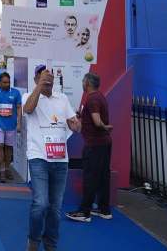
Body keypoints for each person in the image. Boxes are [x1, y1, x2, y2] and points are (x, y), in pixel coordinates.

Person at [23, 65, 81, 251]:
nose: (47, 80)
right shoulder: (29, 96)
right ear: (36, 80)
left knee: (55, 208)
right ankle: (33, 241)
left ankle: (50, 244)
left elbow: (73, 124)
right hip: (38, 157)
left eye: (49, 77)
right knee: (40, 204)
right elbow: (28, 109)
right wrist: (39, 87)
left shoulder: (62, 99)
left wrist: (76, 125)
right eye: (42, 77)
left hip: (60, 160)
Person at [66, 73, 113, 222]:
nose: (82, 84)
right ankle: (104, 210)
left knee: (90, 177)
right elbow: (94, 120)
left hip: (94, 145)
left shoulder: (92, 99)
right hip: (104, 143)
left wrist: (105, 127)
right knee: (103, 177)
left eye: (82, 81)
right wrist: (82, 116)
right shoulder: (99, 96)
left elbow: (97, 121)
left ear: (87, 83)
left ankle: (84, 212)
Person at [0, 72, 22, 183]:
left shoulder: (15, 92)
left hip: (11, 125)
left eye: (8, 82)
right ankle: (2, 170)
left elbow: (19, 108)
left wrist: (19, 123)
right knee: (0, 145)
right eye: (4, 82)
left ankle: (7, 168)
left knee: (8, 147)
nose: (7, 84)